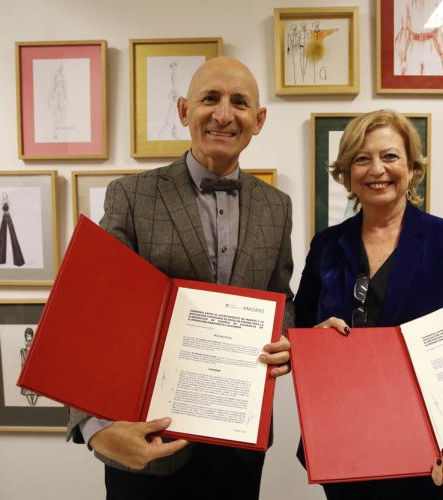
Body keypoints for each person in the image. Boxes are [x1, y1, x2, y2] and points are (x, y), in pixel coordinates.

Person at [66, 56, 293, 500]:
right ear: (184, 110)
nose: (224, 114)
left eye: (240, 103)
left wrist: (287, 338)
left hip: (239, 446)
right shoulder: (131, 196)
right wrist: (95, 428)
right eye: (210, 98)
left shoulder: (277, 206)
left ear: (259, 120)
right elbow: (93, 313)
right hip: (147, 446)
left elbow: (282, 296)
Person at [293, 109, 443, 499]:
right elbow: (298, 330)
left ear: (412, 168)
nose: (376, 169)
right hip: (346, 446)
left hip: (433, 453)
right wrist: (313, 339)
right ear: (347, 172)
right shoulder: (326, 245)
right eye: (362, 158)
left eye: (390, 156)